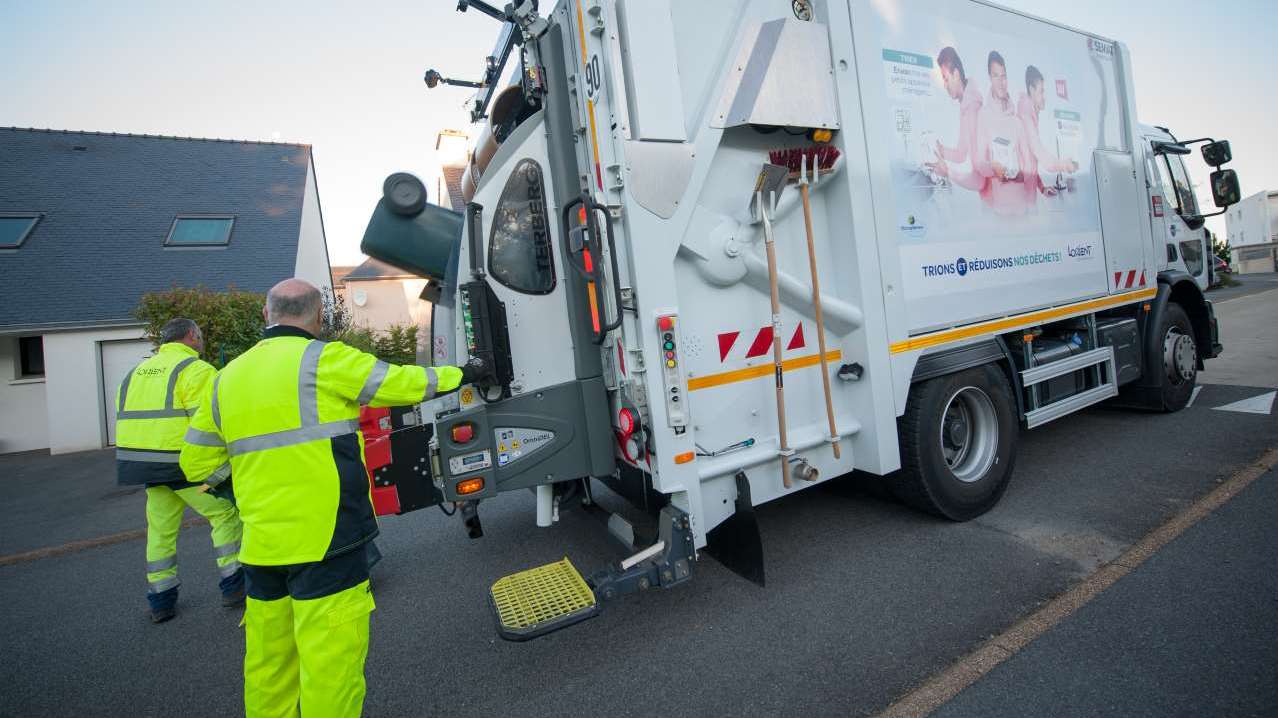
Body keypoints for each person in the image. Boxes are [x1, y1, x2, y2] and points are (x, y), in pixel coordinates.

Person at [180, 278, 486, 718]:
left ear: (266, 316)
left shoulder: (226, 378)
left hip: (262, 548)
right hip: (328, 540)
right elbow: (401, 383)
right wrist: (465, 373)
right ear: (319, 318)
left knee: (269, 669)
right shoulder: (324, 360)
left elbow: (194, 462)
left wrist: (238, 490)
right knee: (331, 669)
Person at [115, 317, 243, 623]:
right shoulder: (196, 370)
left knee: (160, 530)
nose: (201, 342)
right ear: (191, 336)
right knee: (223, 513)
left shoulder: (135, 372)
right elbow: (210, 424)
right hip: (185, 469)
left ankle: (161, 599)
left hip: (144, 468)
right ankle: (235, 585)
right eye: (199, 336)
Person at [971, 50, 1032, 217]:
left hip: (1022, 210)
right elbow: (979, 162)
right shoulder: (983, 116)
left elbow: (1028, 165)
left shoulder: (1017, 122)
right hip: (999, 212)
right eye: (996, 76)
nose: (1001, 81)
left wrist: (1018, 174)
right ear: (990, 78)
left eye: (1003, 76)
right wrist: (993, 167)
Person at [1018, 65, 1079, 205]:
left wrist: (1041, 187)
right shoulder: (1026, 117)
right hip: (1022, 203)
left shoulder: (1028, 114)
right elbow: (1041, 155)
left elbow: (1028, 163)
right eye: (1042, 91)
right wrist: (1065, 165)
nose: (1044, 97)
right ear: (1031, 90)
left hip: (1028, 197)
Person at [930, 46, 986, 191]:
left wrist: (948, 172)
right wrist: (942, 151)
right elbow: (962, 154)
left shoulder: (972, 109)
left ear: (955, 74)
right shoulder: (967, 104)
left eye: (945, 78)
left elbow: (979, 180)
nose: (944, 85)